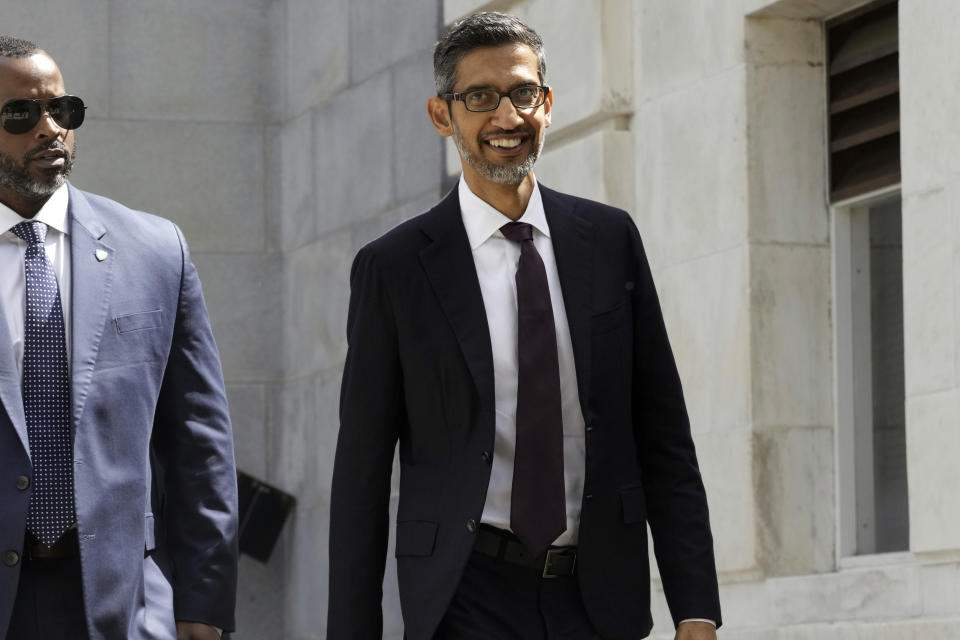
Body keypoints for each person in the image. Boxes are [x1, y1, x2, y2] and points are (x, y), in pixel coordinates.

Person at [329, 11, 721, 640]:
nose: (506, 118)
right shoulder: (395, 268)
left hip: (600, 596)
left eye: (522, 93)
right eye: (480, 97)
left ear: (547, 103)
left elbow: (664, 434)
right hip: (464, 595)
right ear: (442, 116)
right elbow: (361, 473)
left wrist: (695, 608)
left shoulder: (610, 240)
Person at [0, 37, 237, 640]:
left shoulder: (157, 251)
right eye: (21, 114)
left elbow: (199, 444)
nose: (50, 128)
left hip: (123, 602)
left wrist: (204, 604)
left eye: (63, 110)